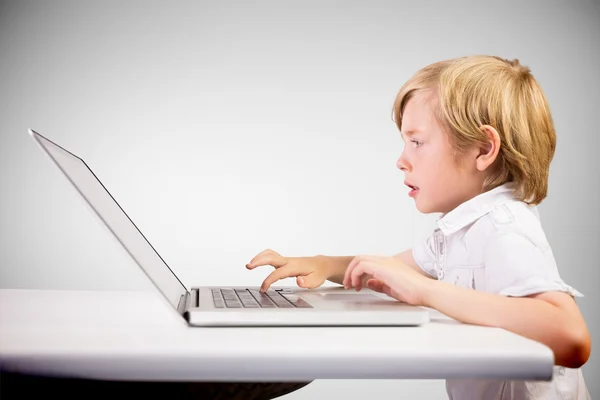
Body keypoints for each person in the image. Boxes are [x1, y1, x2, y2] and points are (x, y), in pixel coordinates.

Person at [246, 55, 592, 399]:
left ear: (484, 149)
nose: (401, 160)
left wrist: (426, 291)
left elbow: (571, 337)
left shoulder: (504, 229)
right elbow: (391, 273)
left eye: (416, 142)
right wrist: (325, 264)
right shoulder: (458, 229)